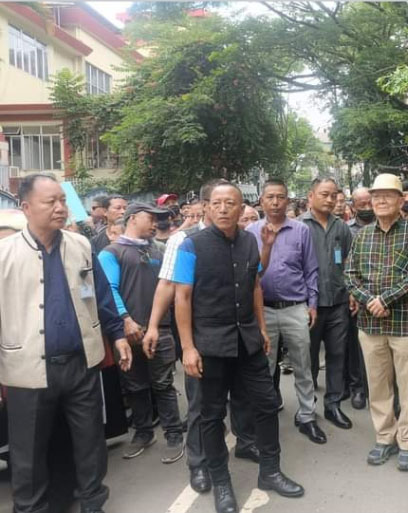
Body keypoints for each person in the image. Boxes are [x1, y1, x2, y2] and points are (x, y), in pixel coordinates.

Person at [0, 174, 132, 513]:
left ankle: (92, 501)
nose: (60, 208)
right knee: (28, 450)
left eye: (62, 200)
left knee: (90, 441)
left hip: (80, 362)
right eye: (50, 202)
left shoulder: (80, 246)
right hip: (26, 369)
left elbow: (100, 295)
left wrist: (117, 334)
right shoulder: (4, 254)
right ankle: (30, 507)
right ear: (26, 207)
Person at [173, 182, 304, 513]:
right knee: (211, 415)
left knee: (267, 404)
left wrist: (261, 328)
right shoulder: (190, 245)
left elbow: (255, 286)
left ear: (240, 207)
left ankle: (270, 471)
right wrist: (187, 348)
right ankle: (221, 482)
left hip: (248, 341)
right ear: (206, 207)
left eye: (230, 203)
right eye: (216, 203)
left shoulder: (249, 241)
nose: (222, 208)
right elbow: (182, 297)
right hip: (210, 345)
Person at [345, 173, 408, 471]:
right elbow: (350, 275)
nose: (380, 200)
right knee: (378, 383)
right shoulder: (362, 236)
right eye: (376, 196)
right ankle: (384, 437)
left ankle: (407, 441)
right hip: (370, 324)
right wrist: (370, 300)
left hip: (406, 322)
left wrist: (386, 299)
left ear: (401, 200)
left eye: (388, 195)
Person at [99, 202, 185, 463]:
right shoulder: (111, 253)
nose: (156, 224)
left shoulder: (159, 249)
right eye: (151, 218)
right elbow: (109, 289)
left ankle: (173, 434)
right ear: (133, 218)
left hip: (161, 329)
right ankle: (143, 432)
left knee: (163, 384)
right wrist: (126, 320)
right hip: (128, 333)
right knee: (134, 386)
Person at [246, 179, 325, 444]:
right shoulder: (251, 232)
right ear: (261, 200)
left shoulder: (301, 230)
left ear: (287, 200)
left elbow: (311, 270)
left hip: (295, 308)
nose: (276, 202)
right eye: (270, 197)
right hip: (264, 310)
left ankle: (307, 416)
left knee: (303, 365)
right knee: (264, 368)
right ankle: (264, 420)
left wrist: (312, 304)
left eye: (280, 197)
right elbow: (249, 275)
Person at [301, 178, 354, 429]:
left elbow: (349, 263)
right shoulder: (299, 227)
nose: (330, 199)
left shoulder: (341, 227)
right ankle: (307, 408)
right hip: (308, 306)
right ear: (311, 196)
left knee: (337, 355)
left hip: (338, 303)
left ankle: (333, 405)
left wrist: (351, 291)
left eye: (334, 195)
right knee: (308, 358)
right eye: (325, 194)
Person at [345, 187, 374, 409]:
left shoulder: (386, 225)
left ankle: (383, 390)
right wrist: (352, 292)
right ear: (353, 206)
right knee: (356, 346)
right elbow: (345, 265)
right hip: (356, 296)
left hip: (382, 296)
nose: (366, 207)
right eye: (361, 204)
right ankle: (358, 388)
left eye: (369, 203)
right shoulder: (347, 230)